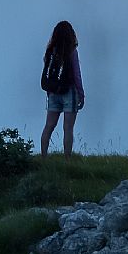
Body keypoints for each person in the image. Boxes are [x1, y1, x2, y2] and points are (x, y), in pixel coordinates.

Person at [40, 20, 85, 157]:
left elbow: (48, 72)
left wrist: (50, 91)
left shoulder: (50, 51)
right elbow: (77, 74)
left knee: (49, 126)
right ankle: (67, 159)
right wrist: (81, 94)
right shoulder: (71, 51)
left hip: (53, 92)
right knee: (68, 129)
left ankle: (43, 157)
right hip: (69, 92)